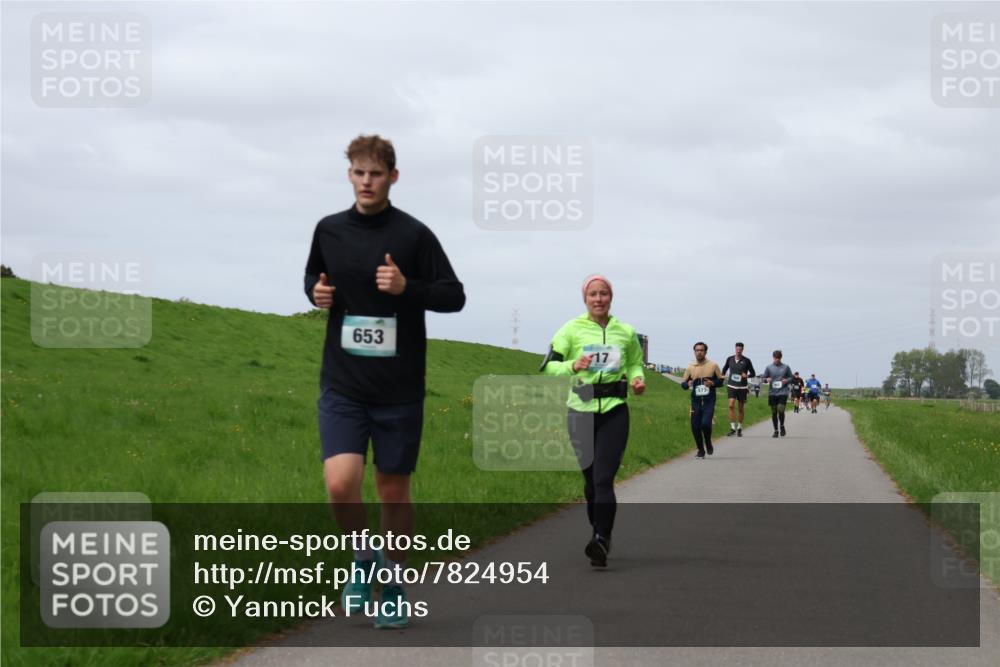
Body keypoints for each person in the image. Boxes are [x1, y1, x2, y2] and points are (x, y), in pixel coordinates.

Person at [304, 134, 466, 628]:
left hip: (398, 390)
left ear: (393, 177)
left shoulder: (414, 235)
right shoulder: (328, 230)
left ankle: (392, 583)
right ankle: (363, 559)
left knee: (393, 492)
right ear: (349, 175)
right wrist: (317, 294)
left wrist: (406, 288)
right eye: (358, 172)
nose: (367, 181)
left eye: (376, 173)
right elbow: (314, 280)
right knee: (340, 483)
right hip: (343, 382)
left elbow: (454, 296)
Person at [541, 275, 645, 568]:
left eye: (603, 294)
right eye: (593, 295)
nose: (598, 299)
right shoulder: (571, 330)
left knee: (603, 478)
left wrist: (637, 379)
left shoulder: (625, 331)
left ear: (611, 298)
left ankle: (602, 538)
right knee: (589, 481)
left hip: (614, 410)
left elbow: (635, 361)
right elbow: (548, 367)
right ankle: (597, 529)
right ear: (584, 299)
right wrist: (572, 365)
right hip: (580, 410)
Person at [681, 342, 726, 459]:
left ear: (705, 352)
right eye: (697, 350)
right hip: (695, 401)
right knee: (695, 426)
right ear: (694, 352)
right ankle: (701, 450)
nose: (699, 352)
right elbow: (683, 384)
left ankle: (708, 442)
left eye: (701, 350)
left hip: (709, 401)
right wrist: (688, 383)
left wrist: (713, 383)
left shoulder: (713, 365)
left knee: (705, 424)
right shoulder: (690, 367)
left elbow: (721, 381)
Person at [721, 342, 756, 437]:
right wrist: (723, 375)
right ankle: (732, 428)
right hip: (731, 386)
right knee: (731, 405)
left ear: (742, 350)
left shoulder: (747, 360)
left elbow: (753, 373)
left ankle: (739, 428)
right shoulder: (730, 359)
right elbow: (724, 369)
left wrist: (747, 375)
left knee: (740, 408)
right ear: (735, 349)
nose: (738, 351)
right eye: (737, 349)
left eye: (740, 350)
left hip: (742, 387)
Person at [763, 350, 793, 438]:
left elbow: (791, 378)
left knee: (781, 409)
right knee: (774, 412)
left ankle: (782, 426)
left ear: (781, 358)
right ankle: (776, 430)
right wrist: (766, 380)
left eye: (778, 358)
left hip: (783, 392)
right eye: (775, 358)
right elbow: (763, 378)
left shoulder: (786, 367)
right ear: (773, 358)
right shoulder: (769, 367)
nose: (777, 360)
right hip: (772, 393)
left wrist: (786, 380)